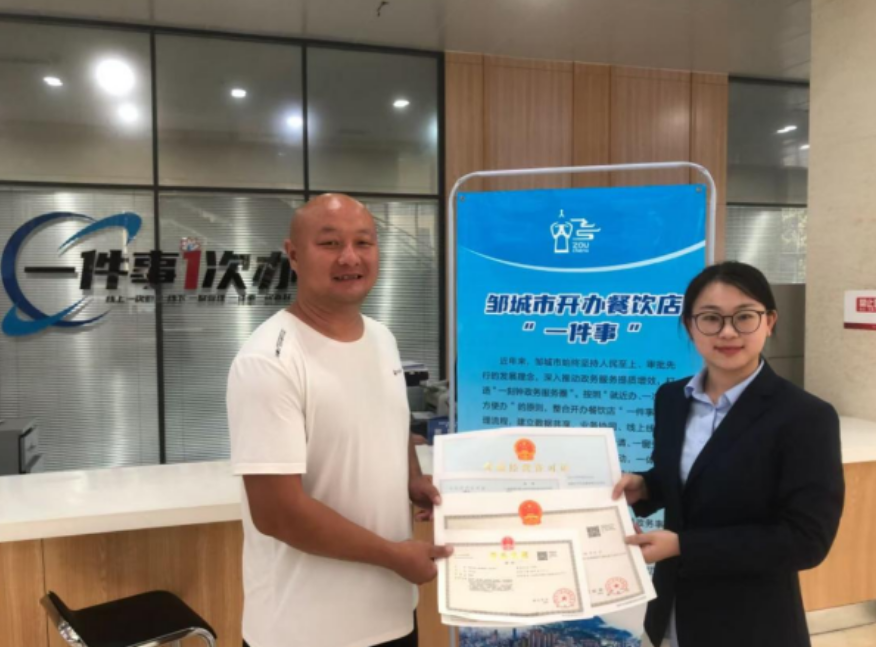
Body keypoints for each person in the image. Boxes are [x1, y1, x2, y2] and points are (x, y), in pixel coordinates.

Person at [227, 194, 451, 647]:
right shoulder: (268, 361)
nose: (350, 258)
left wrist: (411, 479)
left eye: (363, 242)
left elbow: (392, 425)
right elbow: (277, 514)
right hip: (304, 631)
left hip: (392, 615)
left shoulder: (382, 338)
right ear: (293, 255)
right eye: (330, 244)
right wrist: (394, 556)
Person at [612, 261, 844, 647]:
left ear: (769, 321)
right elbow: (694, 481)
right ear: (689, 326)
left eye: (744, 316)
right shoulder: (671, 398)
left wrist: (684, 546)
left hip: (751, 623)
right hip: (669, 612)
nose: (728, 332)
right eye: (710, 318)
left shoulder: (806, 416)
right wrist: (646, 486)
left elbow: (807, 540)